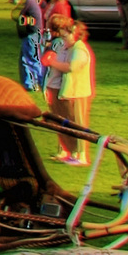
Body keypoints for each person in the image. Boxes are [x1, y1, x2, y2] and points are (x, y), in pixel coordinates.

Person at [39, 18, 95, 164]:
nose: (63, 39)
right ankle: (70, 152)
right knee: (65, 123)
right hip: (65, 92)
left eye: (65, 36)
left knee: (79, 124)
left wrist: (53, 62)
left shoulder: (79, 49)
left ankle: (82, 156)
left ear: (75, 35)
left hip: (78, 93)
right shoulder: (66, 47)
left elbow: (71, 67)